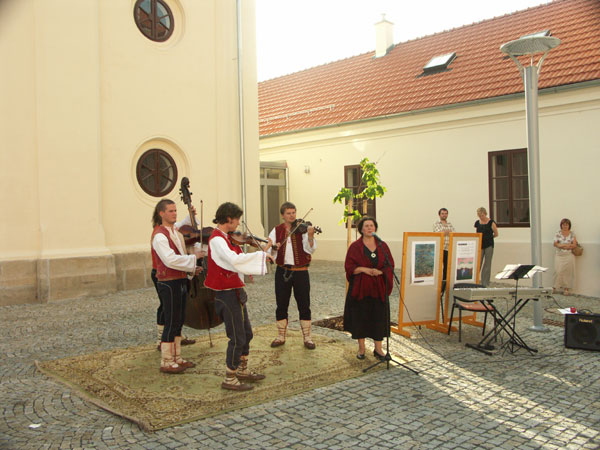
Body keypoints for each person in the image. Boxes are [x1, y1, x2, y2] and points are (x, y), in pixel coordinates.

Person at [204, 202, 272, 391]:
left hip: (235, 292)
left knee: (246, 333)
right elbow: (234, 261)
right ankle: (230, 378)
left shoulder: (226, 238)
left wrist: (262, 253)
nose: (238, 224)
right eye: (237, 220)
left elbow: (239, 261)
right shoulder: (217, 240)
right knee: (237, 336)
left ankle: (242, 369)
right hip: (225, 294)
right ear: (229, 219)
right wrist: (261, 255)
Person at [151, 199, 204, 374]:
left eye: (175, 210)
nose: (174, 213)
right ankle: (166, 361)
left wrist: (191, 269)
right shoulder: (159, 236)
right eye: (170, 211)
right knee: (171, 320)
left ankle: (177, 357)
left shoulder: (176, 232)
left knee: (179, 319)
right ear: (161, 214)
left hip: (180, 280)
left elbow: (180, 256)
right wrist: (193, 258)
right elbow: (170, 260)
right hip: (168, 282)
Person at [266, 202, 317, 349]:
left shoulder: (303, 229)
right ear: (283, 215)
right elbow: (269, 249)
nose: (292, 215)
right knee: (281, 304)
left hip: (301, 272)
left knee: (304, 304)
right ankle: (281, 336)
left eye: (293, 212)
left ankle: (307, 337)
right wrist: (273, 249)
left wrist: (310, 236)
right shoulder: (276, 230)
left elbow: (310, 250)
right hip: (282, 271)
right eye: (288, 213)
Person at [343, 216, 394, 361]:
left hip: (378, 289)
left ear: (375, 228)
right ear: (361, 229)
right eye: (366, 226)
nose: (369, 228)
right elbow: (349, 267)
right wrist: (364, 269)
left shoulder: (383, 246)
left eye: (372, 225)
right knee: (361, 317)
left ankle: (378, 349)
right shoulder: (355, 247)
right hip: (361, 288)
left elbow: (390, 265)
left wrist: (381, 272)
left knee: (378, 317)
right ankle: (361, 348)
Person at [474, 207, 498, 287]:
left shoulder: (491, 222)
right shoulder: (477, 223)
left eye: (482, 215)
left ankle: (485, 283)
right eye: (479, 215)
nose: (481, 217)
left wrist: (489, 238)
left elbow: (496, 234)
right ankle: (475, 281)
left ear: (485, 214)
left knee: (487, 264)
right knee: (478, 263)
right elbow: (477, 234)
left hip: (489, 245)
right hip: (480, 245)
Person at [553, 218, 578, 296]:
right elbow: (555, 244)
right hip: (559, 255)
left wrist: (562, 245)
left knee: (568, 272)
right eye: (563, 225)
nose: (565, 226)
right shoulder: (558, 233)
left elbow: (574, 245)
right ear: (561, 225)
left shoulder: (572, 234)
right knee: (557, 271)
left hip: (569, 255)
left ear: (569, 225)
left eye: (566, 225)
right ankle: (555, 287)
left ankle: (566, 288)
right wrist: (566, 245)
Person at [433, 208, 455, 290]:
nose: (444, 215)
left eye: (446, 213)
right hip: (440, 248)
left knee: (447, 267)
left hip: (448, 248)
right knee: (438, 267)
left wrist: (445, 231)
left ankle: (444, 285)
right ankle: (437, 284)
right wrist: (447, 231)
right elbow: (439, 233)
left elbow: (453, 233)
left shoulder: (450, 224)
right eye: (442, 213)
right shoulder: (436, 223)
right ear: (439, 215)